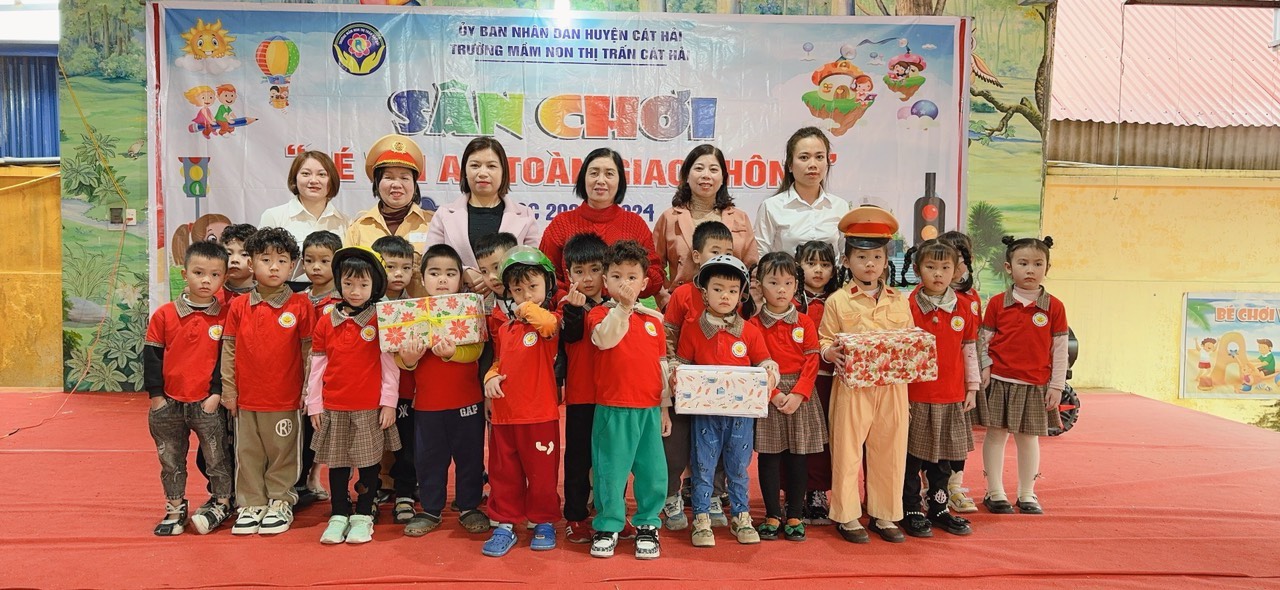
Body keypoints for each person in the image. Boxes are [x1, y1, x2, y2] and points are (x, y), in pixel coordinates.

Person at [817, 205, 913, 544]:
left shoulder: (900, 300)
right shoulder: (838, 301)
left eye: (876, 256)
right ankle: (847, 516)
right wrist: (829, 353)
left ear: (886, 261)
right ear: (847, 261)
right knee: (846, 451)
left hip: (892, 388)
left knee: (890, 450)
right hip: (852, 387)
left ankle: (885, 514)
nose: (869, 263)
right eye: (860, 256)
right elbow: (823, 340)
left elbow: (910, 341)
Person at [672, 254, 778, 547]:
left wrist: (771, 372)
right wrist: (674, 375)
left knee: (739, 467)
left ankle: (741, 516)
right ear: (704, 292)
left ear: (741, 294)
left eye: (732, 290)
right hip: (704, 414)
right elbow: (681, 363)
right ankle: (701, 518)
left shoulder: (750, 331)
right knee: (702, 465)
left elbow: (765, 361)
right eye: (718, 289)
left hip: (741, 416)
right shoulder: (693, 329)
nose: (725, 296)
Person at [219, 227, 315, 536]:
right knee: (248, 453)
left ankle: (280, 499)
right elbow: (229, 350)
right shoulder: (238, 306)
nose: (274, 267)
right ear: (251, 264)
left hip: (286, 399)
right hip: (246, 400)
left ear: (293, 266)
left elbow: (310, 352)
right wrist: (229, 390)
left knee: (283, 453)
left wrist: (308, 390)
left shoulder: (301, 306)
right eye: (265, 259)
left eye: (282, 261)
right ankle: (251, 503)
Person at [305, 247, 402, 544]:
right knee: (337, 464)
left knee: (370, 464)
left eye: (363, 284)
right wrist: (314, 404)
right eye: (348, 283)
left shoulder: (381, 319)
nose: (355, 291)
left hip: (369, 408)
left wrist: (389, 403)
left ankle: (363, 515)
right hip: (334, 407)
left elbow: (390, 367)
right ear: (339, 283)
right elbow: (317, 366)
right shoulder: (326, 321)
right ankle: (338, 513)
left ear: (375, 285)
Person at [583, 240, 671, 559]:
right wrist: (622, 308)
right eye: (617, 276)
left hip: (648, 410)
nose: (625, 284)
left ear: (644, 283)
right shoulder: (598, 314)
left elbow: (662, 366)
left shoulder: (653, 321)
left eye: (632, 277)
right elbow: (605, 339)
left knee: (653, 472)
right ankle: (608, 525)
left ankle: (647, 524)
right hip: (613, 408)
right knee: (610, 471)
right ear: (605, 281)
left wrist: (664, 408)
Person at [398, 244, 491, 537]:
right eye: (435, 273)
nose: (442, 279)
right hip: (427, 405)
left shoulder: (470, 308)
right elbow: (400, 356)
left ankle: (469, 506)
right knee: (429, 459)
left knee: (470, 457)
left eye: (450, 274)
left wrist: (453, 353)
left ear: (460, 279)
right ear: (422, 277)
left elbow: (477, 350)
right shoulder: (410, 312)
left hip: (467, 401)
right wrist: (409, 359)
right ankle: (430, 509)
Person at [143, 241, 234, 536]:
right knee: (170, 460)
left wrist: (216, 394)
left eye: (215, 275)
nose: (206, 280)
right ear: (185, 274)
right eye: (198, 272)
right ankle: (175, 506)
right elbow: (152, 357)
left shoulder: (225, 315)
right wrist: (157, 397)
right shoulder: (164, 314)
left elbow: (226, 359)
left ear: (224, 278)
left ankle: (222, 501)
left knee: (217, 458)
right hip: (168, 404)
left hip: (207, 403)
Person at [977, 236, 1069, 516]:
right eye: (1023, 263)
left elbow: (1060, 349)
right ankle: (995, 492)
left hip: (1035, 384)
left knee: (1029, 439)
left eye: (1038, 264)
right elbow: (983, 341)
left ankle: (1027, 493)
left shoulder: (1054, 307)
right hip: (1000, 381)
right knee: (995, 436)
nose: (1030, 270)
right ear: (1009, 267)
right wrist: (984, 367)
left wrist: (1056, 385)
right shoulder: (997, 304)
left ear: (1047, 268)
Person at [481, 246, 563, 557]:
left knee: (542, 476)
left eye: (533, 286)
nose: (525, 294)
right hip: (504, 417)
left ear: (548, 285)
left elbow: (548, 325)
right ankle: (504, 522)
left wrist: (526, 306)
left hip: (539, 415)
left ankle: (542, 520)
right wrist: (490, 378)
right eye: (517, 289)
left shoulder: (550, 322)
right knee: (504, 474)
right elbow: (499, 361)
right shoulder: (506, 328)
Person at [660, 221, 736, 531]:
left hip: (719, 389)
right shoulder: (682, 294)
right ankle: (670, 496)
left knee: (714, 446)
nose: (722, 257)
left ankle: (713, 495)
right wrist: (673, 371)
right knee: (675, 446)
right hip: (683, 385)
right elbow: (668, 336)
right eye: (715, 251)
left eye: (728, 252)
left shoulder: (734, 293)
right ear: (696, 255)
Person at [898, 240, 977, 538]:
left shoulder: (964, 307)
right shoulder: (906, 306)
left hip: (951, 395)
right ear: (917, 269)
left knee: (943, 460)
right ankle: (910, 508)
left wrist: (972, 388)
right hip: (916, 396)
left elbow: (969, 349)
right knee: (911, 458)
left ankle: (939, 507)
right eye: (930, 267)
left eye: (945, 267)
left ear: (956, 270)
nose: (938, 273)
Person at [747, 252, 826, 542]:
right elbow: (753, 363)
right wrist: (774, 393)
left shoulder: (804, 322)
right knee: (769, 457)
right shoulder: (752, 325)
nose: (781, 289)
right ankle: (771, 514)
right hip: (768, 394)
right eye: (773, 282)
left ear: (796, 285)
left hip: (800, 397)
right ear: (759, 284)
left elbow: (812, 359)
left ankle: (794, 514)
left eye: (788, 283)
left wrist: (799, 393)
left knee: (798, 457)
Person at [538, 148, 663, 300]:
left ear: (620, 181)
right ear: (583, 178)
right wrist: (569, 299)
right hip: (572, 310)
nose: (601, 180)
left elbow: (655, 275)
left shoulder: (635, 224)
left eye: (609, 174)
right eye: (594, 173)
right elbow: (544, 274)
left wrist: (627, 286)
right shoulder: (561, 224)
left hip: (623, 310)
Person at [424, 137, 543, 296]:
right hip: (458, 303)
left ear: (503, 172)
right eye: (475, 166)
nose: (482, 173)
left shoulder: (525, 216)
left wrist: (495, 276)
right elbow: (430, 261)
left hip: (510, 303)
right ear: (465, 171)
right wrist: (463, 272)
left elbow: (534, 265)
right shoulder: (444, 214)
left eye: (491, 166)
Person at [557, 232, 613, 545]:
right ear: (568, 274)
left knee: (613, 461)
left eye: (595, 269)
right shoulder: (566, 307)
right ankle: (575, 516)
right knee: (578, 461)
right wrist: (574, 310)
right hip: (580, 397)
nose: (588, 278)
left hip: (613, 397)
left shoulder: (617, 307)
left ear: (606, 271)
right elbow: (570, 336)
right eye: (579, 271)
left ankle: (611, 514)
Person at [653, 144, 759, 298]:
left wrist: (747, 303)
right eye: (699, 168)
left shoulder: (740, 218)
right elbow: (654, 266)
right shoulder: (669, 218)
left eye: (713, 170)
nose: (706, 175)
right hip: (682, 304)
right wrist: (666, 301)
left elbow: (752, 270)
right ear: (686, 176)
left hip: (730, 305)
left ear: (723, 178)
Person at [347, 134, 434, 297]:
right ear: (377, 183)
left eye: (404, 178)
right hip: (371, 311)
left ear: (415, 185)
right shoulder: (359, 228)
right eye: (388, 177)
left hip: (423, 310)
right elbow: (348, 276)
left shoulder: (433, 224)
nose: (396, 184)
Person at [370, 234, 419, 523]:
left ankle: (405, 493)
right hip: (368, 389)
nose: (398, 274)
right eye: (390, 267)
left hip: (406, 389)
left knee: (407, 444)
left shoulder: (415, 307)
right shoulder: (364, 303)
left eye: (405, 267)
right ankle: (371, 489)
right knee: (370, 445)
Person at [794, 240, 841, 524]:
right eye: (811, 264)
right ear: (798, 267)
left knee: (823, 439)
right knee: (797, 438)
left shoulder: (838, 300)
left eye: (825, 264)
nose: (818, 270)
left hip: (829, 380)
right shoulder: (789, 301)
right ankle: (794, 493)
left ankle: (818, 492)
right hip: (796, 382)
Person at [295, 230, 343, 505]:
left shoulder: (343, 300)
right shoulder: (297, 298)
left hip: (332, 377)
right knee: (305, 429)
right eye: (310, 260)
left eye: (325, 261)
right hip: (300, 375)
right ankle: (303, 479)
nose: (316, 267)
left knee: (328, 430)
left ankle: (319, 476)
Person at [936, 230, 981, 514]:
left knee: (957, 438)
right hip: (933, 384)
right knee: (931, 438)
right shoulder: (924, 298)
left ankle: (954, 486)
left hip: (960, 382)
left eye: (959, 259)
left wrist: (973, 382)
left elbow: (973, 343)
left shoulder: (971, 298)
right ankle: (934, 488)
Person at [754, 127, 851, 256]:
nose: (813, 164)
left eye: (819, 157)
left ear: (827, 162)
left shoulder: (840, 206)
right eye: (804, 157)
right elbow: (760, 256)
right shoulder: (771, 207)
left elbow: (847, 256)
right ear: (790, 165)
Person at [258, 151, 348, 274]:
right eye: (306, 174)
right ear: (295, 178)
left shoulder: (346, 222)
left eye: (322, 174)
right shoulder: (274, 216)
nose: (314, 180)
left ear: (332, 180)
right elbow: (261, 262)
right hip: (286, 286)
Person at [220, 224, 257, 300]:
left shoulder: (265, 296)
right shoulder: (212, 295)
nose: (234, 260)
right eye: (228, 254)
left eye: (244, 254)